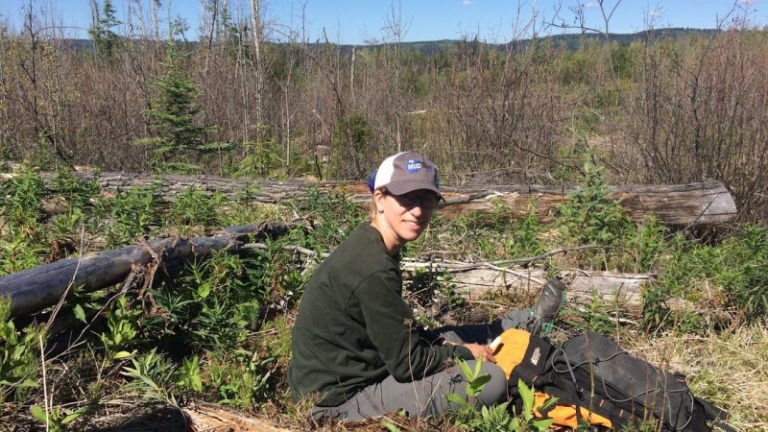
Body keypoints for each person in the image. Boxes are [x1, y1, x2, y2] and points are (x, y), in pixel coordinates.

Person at [287, 151, 566, 421]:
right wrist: (467, 353)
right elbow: (408, 364)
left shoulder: (370, 243)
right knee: (489, 379)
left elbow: (395, 336)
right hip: (339, 400)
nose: (418, 210)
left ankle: (522, 326)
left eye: (426, 199)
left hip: (362, 365)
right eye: (406, 199)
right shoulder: (373, 267)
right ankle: (518, 354)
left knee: (454, 336)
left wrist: (456, 346)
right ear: (380, 199)